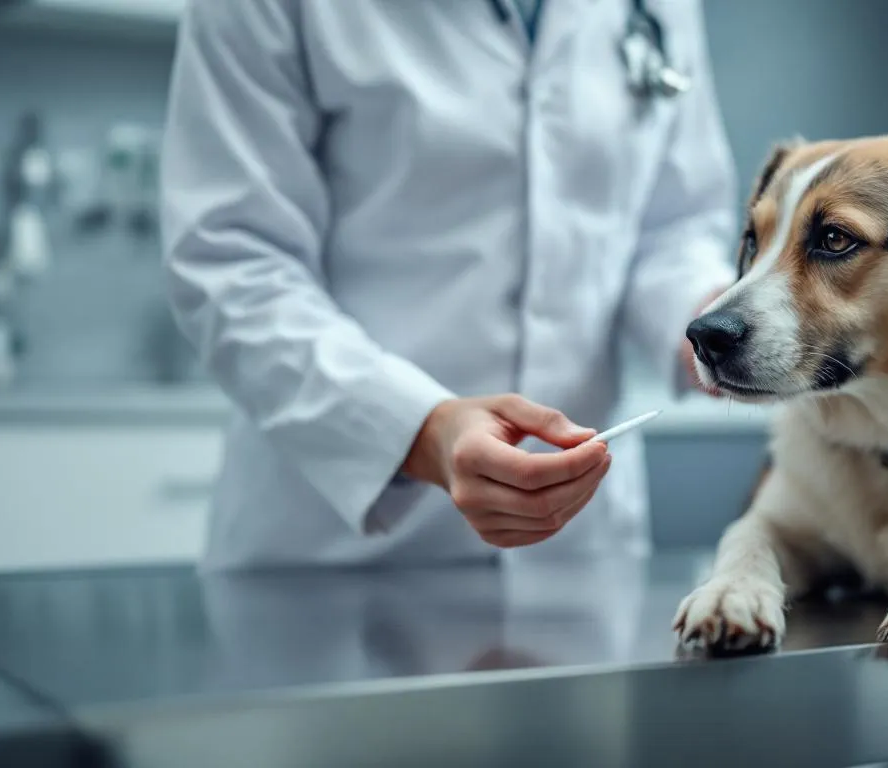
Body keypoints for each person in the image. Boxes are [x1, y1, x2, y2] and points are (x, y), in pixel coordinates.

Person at [159, 0, 736, 571]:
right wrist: (419, 430)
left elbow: (671, 226)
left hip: (577, 553)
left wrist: (714, 322)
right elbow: (235, 257)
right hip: (336, 551)